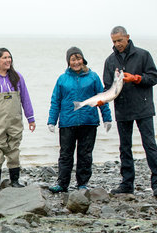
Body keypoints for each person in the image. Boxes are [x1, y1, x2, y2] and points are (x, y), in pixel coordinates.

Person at [103, 26, 157, 197]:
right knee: (125, 147)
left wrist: (136, 78)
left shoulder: (143, 55)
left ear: (127, 37)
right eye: (114, 41)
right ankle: (127, 183)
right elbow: (108, 86)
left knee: (149, 145)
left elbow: (154, 77)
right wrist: (103, 97)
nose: (117, 44)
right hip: (122, 109)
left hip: (143, 108)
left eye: (119, 40)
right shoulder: (110, 61)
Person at [47, 47, 113, 193]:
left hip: (88, 121)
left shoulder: (93, 77)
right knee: (65, 154)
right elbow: (55, 101)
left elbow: (102, 98)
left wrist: (107, 118)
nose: (76, 62)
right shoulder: (62, 79)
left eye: (78, 59)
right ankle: (62, 184)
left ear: (83, 59)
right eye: (73, 59)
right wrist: (52, 121)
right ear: (68, 62)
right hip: (67, 122)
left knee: (85, 154)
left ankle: (82, 183)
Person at [0, 47, 36, 194]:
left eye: (9, 57)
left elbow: (25, 99)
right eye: (4, 58)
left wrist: (31, 118)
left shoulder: (17, 77)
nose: (8, 60)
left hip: (15, 120)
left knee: (14, 148)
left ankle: (15, 181)